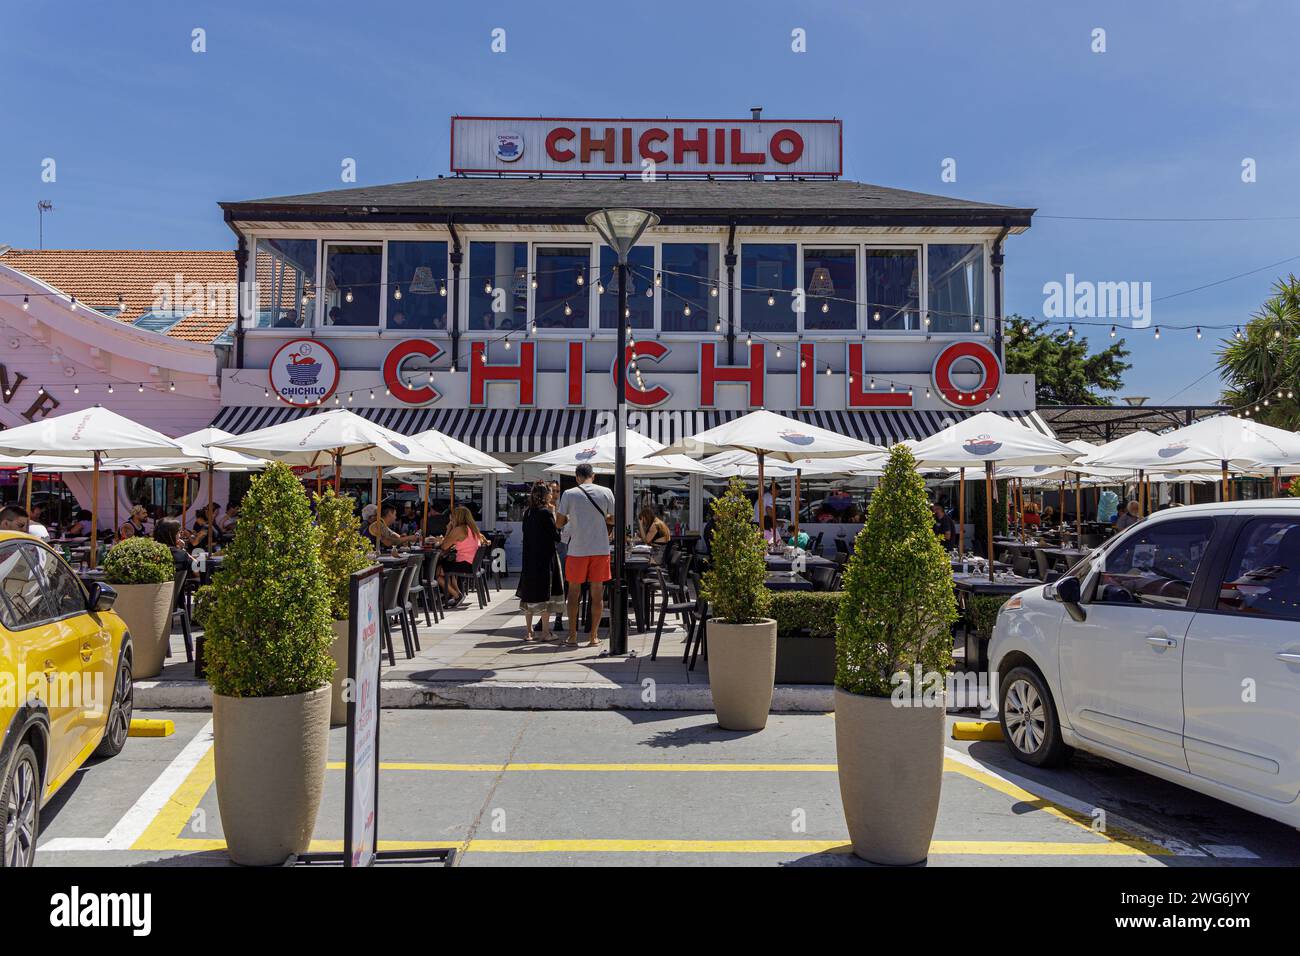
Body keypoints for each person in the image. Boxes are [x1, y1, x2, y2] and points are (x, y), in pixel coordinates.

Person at [555, 463, 614, 647]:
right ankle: (593, 637)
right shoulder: (606, 492)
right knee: (597, 594)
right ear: (593, 476)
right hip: (600, 548)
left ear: (576, 477)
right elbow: (613, 518)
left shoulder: (569, 494)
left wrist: (572, 517)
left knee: (573, 594)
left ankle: (572, 636)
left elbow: (558, 523)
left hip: (577, 549)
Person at [515, 482, 564, 641]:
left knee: (529, 595)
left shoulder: (528, 513)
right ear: (545, 496)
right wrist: (554, 514)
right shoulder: (546, 513)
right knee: (546, 595)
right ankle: (545, 632)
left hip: (529, 559)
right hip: (545, 559)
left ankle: (529, 632)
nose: (552, 495)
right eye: (550, 492)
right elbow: (556, 536)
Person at [438, 506, 487, 607]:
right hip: (472, 564)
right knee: (447, 564)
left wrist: (448, 529)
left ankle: (456, 595)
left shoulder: (459, 529)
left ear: (458, 517)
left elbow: (444, 546)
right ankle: (455, 593)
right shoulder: (472, 529)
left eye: (453, 517)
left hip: (465, 565)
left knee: (437, 572)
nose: (451, 519)